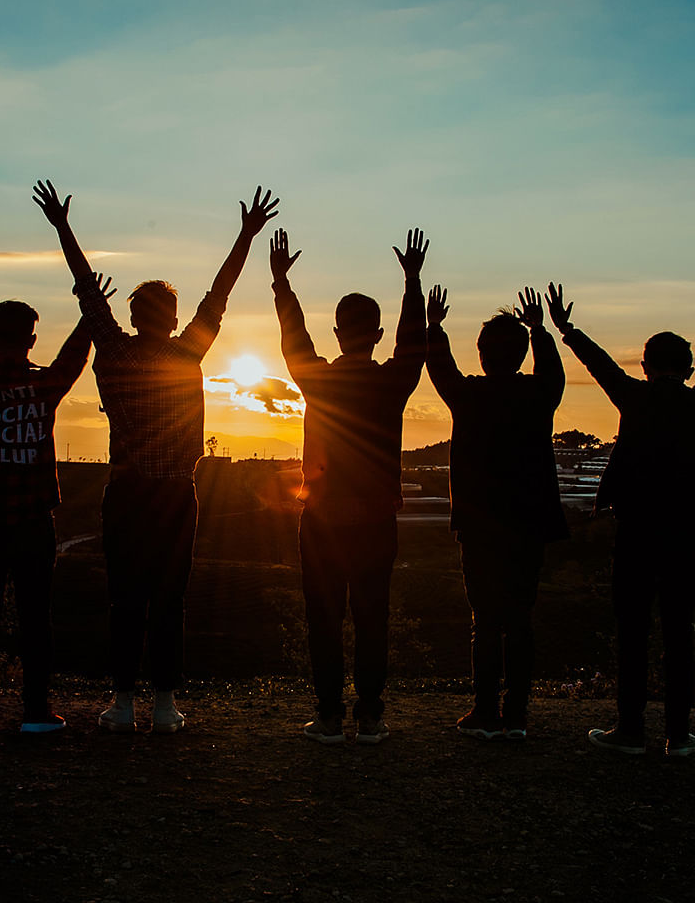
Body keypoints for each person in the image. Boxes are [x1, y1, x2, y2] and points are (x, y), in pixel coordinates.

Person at [34, 179, 278, 734]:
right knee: (170, 598)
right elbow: (220, 294)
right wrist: (245, 235)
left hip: (126, 492)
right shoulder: (186, 351)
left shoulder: (115, 351)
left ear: (134, 313)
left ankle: (122, 703)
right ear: (170, 318)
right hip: (173, 495)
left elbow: (86, 291)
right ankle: (165, 704)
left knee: (125, 597)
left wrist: (62, 227)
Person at [269, 225, 427, 745]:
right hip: (377, 519)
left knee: (325, 619)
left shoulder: (318, 379)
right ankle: (372, 716)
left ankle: (331, 716)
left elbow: (295, 340)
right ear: (376, 333)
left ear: (337, 333)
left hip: (322, 519)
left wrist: (281, 285)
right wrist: (412, 283)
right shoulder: (392, 381)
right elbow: (414, 345)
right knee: (372, 617)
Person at [0, 266, 103, 735]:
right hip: (34, 520)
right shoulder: (45, 386)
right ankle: (36, 711)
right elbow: (76, 355)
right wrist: (88, 311)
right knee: (36, 616)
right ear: (32, 340)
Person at [547, 283, 695, 757]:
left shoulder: (635, 396)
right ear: (690, 369)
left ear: (646, 366)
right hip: (687, 533)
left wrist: (567, 329)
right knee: (681, 630)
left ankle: (630, 728)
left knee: (631, 628)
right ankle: (678, 733)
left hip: (636, 529)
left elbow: (600, 364)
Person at [426, 285, 567, 740]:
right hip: (528, 524)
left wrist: (434, 326)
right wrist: (541, 331)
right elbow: (553, 373)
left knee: (484, 619)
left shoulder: (469, 396)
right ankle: (517, 715)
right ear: (522, 354)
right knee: (520, 618)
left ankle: (484, 712)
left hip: (480, 525)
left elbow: (439, 367)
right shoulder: (539, 395)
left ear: (482, 354)